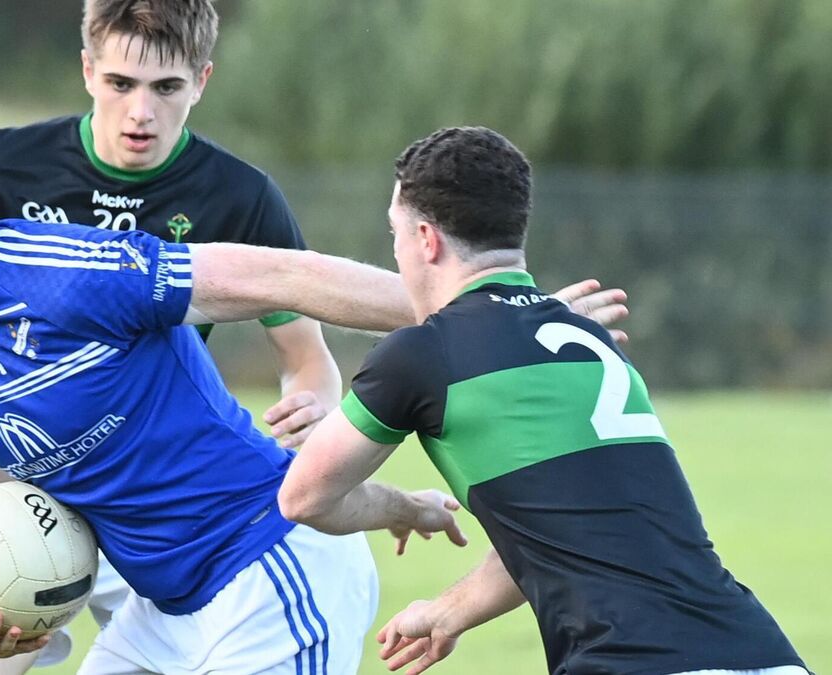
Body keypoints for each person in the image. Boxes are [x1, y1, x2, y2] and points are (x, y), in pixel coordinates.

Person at [0, 105, 471, 674]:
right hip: (161, 614)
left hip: (267, 571)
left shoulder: (72, 274)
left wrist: (474, 310)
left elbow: (282, 277)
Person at [277, 127, 809, 675]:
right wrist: (447, 612)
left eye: (395, 232)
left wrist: (408, 509)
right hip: (763, 651)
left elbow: (303, 498)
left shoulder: (422, 353)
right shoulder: (590, 339)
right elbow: (564, 529)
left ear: (426, 239)